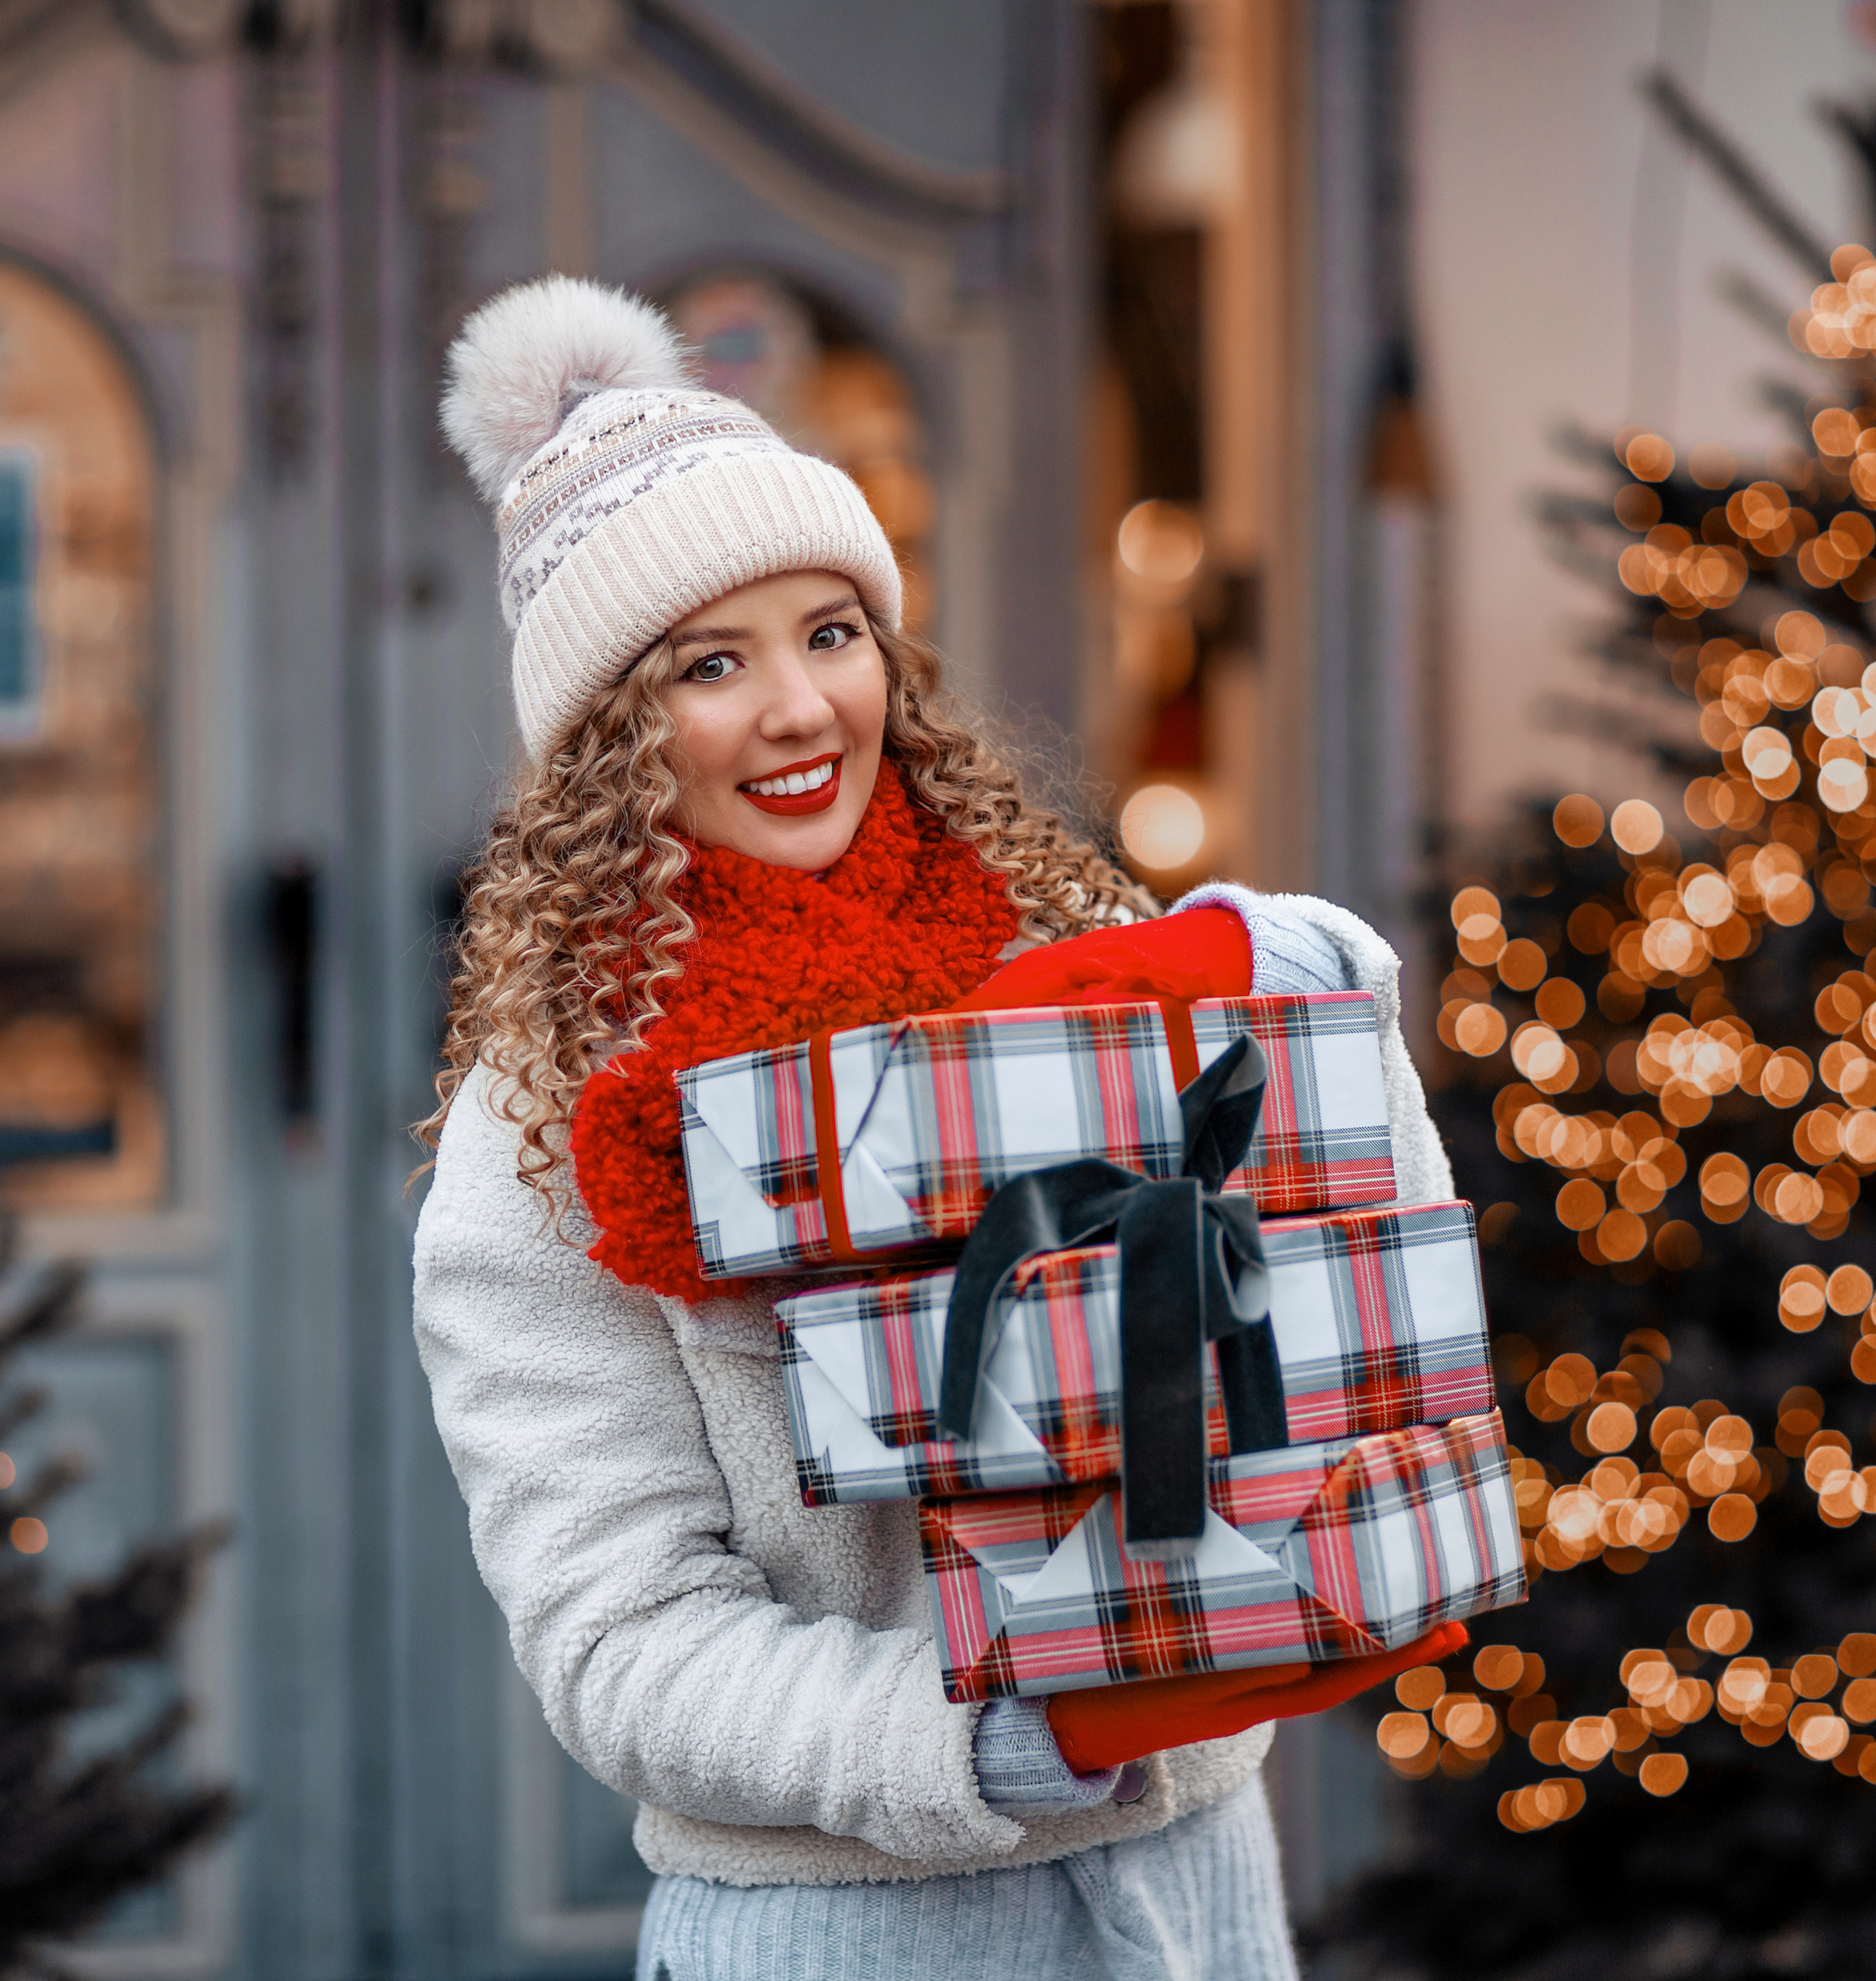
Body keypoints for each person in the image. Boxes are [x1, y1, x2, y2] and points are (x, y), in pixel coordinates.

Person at [412, 276, 1457, 1981]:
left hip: (1193, 1880)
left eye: (830, 632)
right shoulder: (538, 1134)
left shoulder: (1064, 958)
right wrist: (985, 1727)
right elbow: (624, 1641)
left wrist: (1318, 1011)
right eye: (708, 664)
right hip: (849, 1927)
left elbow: (1346, 1302)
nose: (800, 706)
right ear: (605, 734)